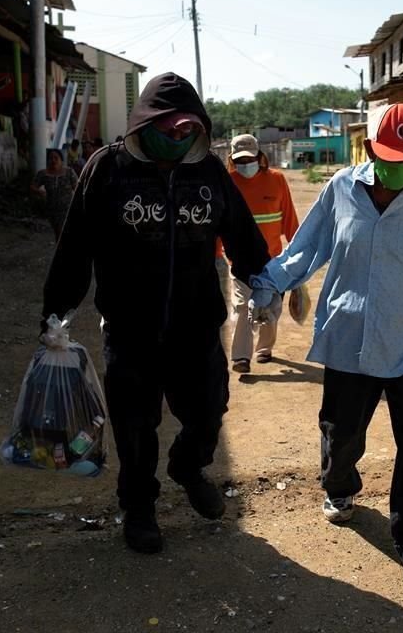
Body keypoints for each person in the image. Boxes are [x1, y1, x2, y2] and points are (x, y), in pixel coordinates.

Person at [40, 72, 270, 554]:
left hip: (197, 328)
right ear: (145, 125)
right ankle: (139, 508)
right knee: (135, 429)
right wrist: (56, 309)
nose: (179, 138)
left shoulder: (207, 172)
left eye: (188, 131)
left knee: (209, 413)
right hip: (131, 331)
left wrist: (263, 282)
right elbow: (76, 245)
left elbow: (242, 233)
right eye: (170, 130)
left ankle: (188, 466)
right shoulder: (108, 170)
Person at [248, 104, 403, 595]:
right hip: (349, 339)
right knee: (340, 435)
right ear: (370, 151)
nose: (400, 169)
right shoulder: (341, 188)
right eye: (391, 158)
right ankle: (340, 487)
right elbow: (306, 247)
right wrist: (270, 283)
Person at [224, 134, 299, 373]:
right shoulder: (227, 183)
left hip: (273, 261)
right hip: (240, 260)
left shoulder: (277, 180)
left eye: (250, 158)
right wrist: (215, 254)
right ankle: (240, 357)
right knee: (241, 306)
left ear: (260, 157)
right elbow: (220, 223)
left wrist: (298, 256)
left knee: (269, 309)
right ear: (232, 160)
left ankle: (264, 349)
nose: (245, 164)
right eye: (240, 160)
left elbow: (289, 220)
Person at [30, 148, 78, 241]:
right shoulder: (43, 174)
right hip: (52, 209)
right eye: (51, 158)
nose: (53, 160)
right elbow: (32, 186)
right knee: (58, 232)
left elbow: (77, 188)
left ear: (61, 160)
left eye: (56, 158)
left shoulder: (69, 172)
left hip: (68, 208)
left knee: (64, 232)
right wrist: (39, 191)